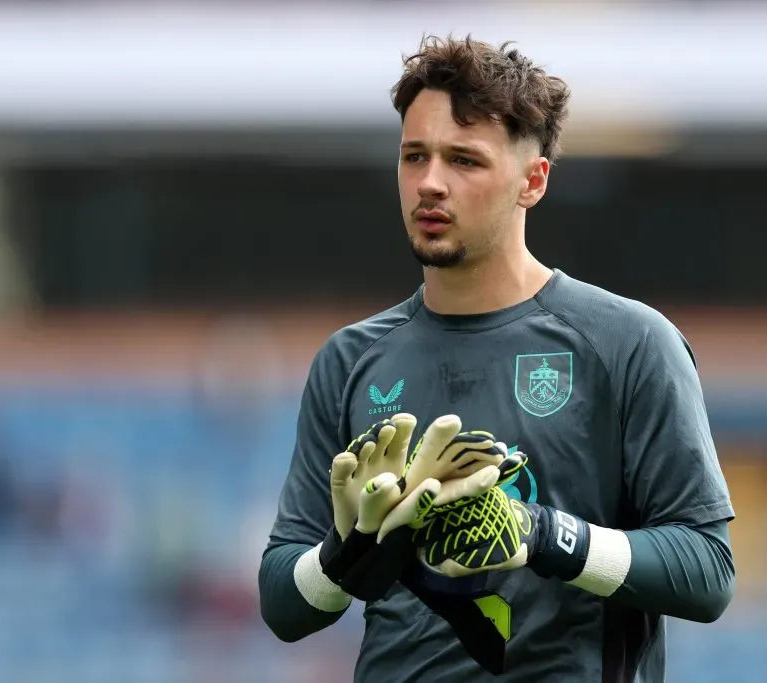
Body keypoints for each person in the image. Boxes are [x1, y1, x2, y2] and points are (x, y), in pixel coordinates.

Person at [259, 35, 735, 682]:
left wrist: (539, 533)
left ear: (532, 181)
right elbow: (283, 604)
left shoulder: (628, 343)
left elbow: (705, 570)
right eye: (414, 156)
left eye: (464, 160)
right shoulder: (349, 359)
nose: (430, 182)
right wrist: (347, 556)